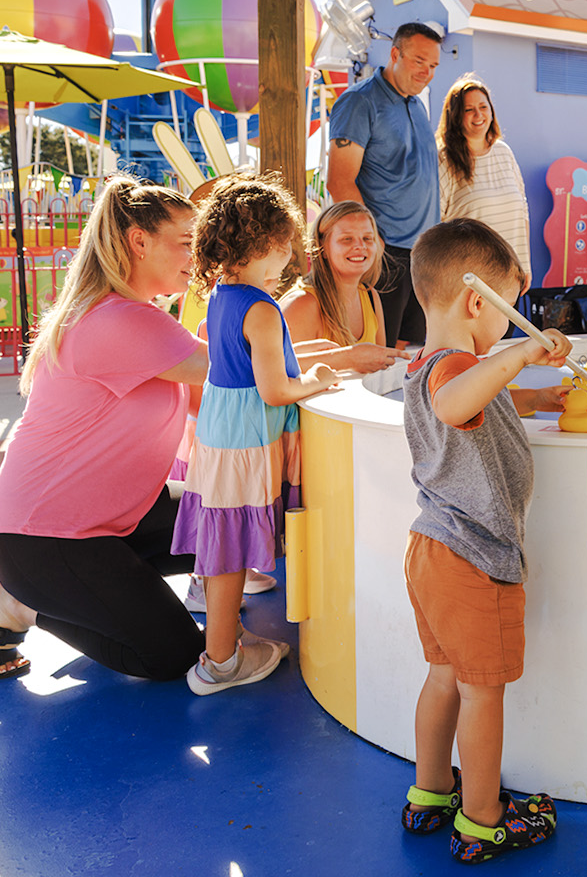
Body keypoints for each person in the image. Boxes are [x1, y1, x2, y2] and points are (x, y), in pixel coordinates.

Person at [399, 218, 569, 863]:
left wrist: (537, 392)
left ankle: (431, 793)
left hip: (433, 549)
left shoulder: (430, 363)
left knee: (443, 679)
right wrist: (520, 353)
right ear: (478, 302)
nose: (512, 325)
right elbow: (455, 404)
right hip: (472, 556)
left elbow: (481, 406)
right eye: (509, 311)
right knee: (482, 692)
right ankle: (482, 820)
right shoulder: (456, 369)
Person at [0, 179, 208, 681]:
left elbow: (246, 365)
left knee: (243, 525)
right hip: (47, 535)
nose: (197, 256)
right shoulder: (122, 320)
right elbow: (240, 369)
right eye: (187, 243)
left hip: (119, 514)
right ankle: (18, 607)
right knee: (171, 655)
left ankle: (91, 591)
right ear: (139, 242)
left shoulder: (130, 313)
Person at [171, 175, 340, 695]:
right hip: (248, 443)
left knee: (225, 549)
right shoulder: (263, 309)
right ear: (257, 244)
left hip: (222, 438)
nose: (289, 256)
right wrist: (316, 382)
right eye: (284, 243)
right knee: (230, 557)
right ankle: (219, 662)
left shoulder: (223, 295)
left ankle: (227, 640)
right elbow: (274, 390)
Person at [328, 21, 444, 348]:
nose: (427, 72)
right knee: (379, 354)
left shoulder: (418, 105)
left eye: (433, 65)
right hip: (385, 251)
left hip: (421, 254)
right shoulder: (360, 102)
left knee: (408, 350)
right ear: (395, 54)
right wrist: (371, 243)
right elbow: (340, 182)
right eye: (419, 61)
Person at [280, 202, 409, 367]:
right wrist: (349, 358)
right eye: (347, 239)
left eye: (367, 238)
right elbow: (278, 370)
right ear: (322, 248)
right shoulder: (302, 303)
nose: (360, 246)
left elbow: (379, 367)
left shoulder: (370, 296)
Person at [436, 76, 532, 278]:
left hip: (508, 276)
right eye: (469, 109)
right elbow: (436, 223)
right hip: (468, 278)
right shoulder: (445, 160)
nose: (478, 114)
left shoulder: (504, 153)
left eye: (483, 106)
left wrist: (525, 265)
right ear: (455, 116)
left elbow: (522, 212)